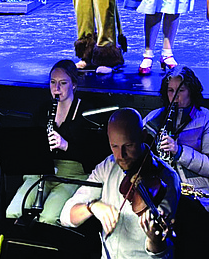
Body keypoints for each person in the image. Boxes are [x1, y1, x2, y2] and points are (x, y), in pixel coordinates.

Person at [60, 108, 180, 258]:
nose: (121, 156)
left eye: (128, 146)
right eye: (114, 146)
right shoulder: (108, 165)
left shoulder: (166, 178)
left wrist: (154, 240)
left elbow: (162, 254)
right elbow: (66, 216)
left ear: (143, 136)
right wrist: (92, 206)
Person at [143, 65, 209, 258]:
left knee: (183, 216)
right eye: (170, 91)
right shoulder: (155, 118)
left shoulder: (206, 119)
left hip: (201, 195)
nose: (174, 97)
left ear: (192, 91)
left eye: (180, 91)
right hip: (165, 193)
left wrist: (179, 151)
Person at [6, 60, 92, 225]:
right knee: (13, 212)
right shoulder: (43, 110)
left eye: (62, 83)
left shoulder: (86, 112)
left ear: (73, 84)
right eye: (53, 82)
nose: (56, 88)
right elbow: (28, 144)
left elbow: (92, 155)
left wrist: (65, 145)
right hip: (42, 171)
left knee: (49, 218)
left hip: (71, 173)